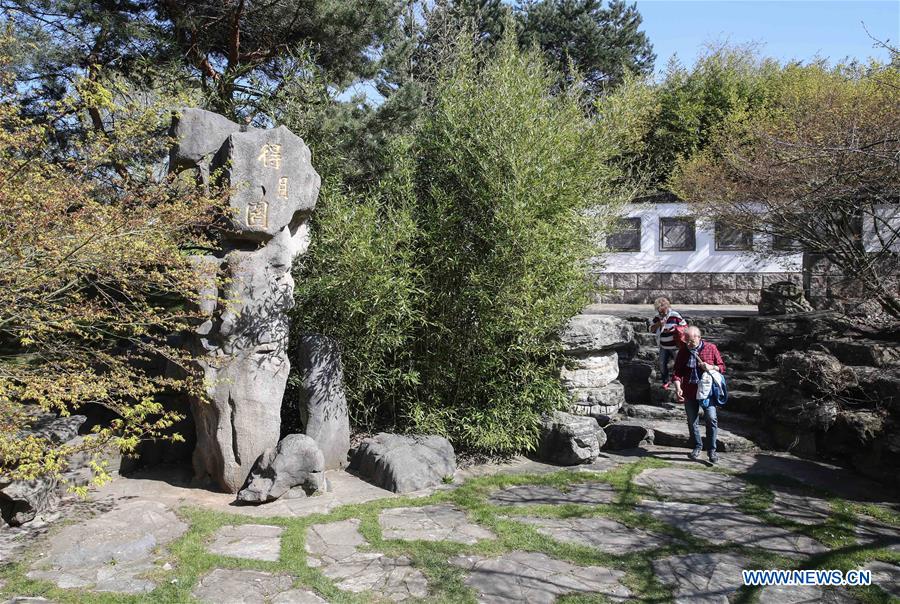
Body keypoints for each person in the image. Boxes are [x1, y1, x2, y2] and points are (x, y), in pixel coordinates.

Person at [672, 326, 726, 463]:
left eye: (691, 341)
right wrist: (678, 388)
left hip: (707, 392)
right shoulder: (683, 352)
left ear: (699, 337)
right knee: (692, 421)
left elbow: (722, 367)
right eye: (687, 341)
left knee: (711, 418)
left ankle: (712, 451)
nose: (688, 343)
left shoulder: (711, 348)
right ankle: (697, 446)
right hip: (689, 391)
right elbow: (677, 372)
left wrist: (711, 367)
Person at [648, 297, 687, 389]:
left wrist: (674, 329)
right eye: (659, 311)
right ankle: (666, 381)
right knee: (661, 364)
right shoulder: (657, 317)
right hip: (663, 346)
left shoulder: (675, 315)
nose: (661, 313)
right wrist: (658, 324)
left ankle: (680, 383)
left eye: (663, 311)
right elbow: (650, 329)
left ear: (667, 307)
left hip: (675, 346)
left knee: (679, 364)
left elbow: (685, 326)